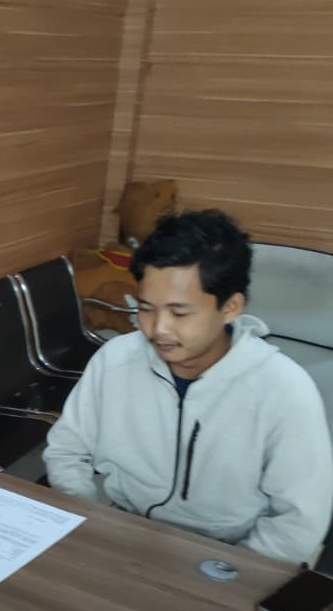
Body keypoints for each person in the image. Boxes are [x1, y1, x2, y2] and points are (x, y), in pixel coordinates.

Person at [43, 209, 333, 565]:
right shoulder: (115, 359)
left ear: (230, 307)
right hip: (123, 532)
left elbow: (299, 523)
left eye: (179, 313)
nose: (158, 329)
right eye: (146, 309)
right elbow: (66, 450)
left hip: (231, 555)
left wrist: (229, 572)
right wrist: (87, 520)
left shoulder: (284, 391)